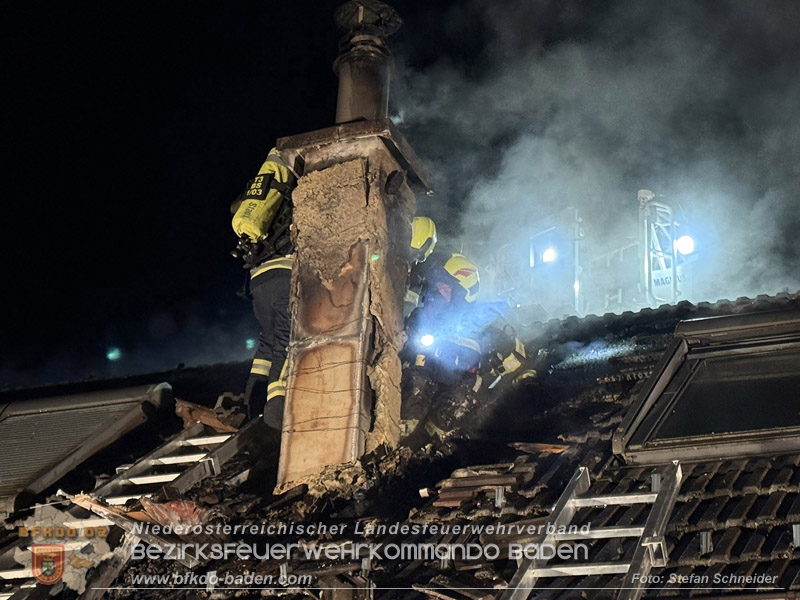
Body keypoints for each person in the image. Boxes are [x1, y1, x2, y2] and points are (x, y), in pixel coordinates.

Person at [230, 147, 297, 427]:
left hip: (259, 279)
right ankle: (276, 410)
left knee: (267, 342)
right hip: (284, 272)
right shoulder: (297, 192)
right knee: (284, 340)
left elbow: (234, 208)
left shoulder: (262, 191)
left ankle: (252, 400)